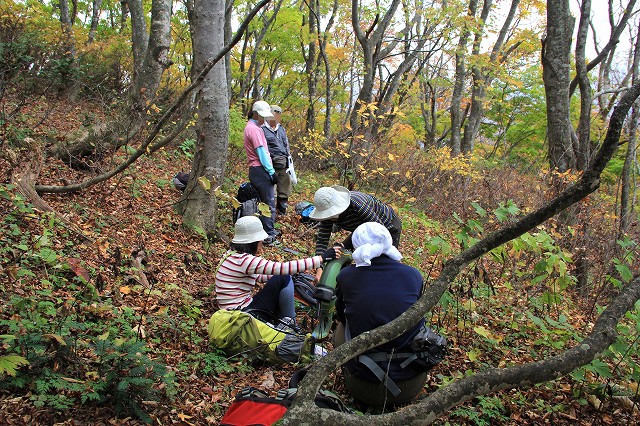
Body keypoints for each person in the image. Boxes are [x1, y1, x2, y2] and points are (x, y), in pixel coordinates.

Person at [332, 222, 427, 407]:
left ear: (357, 246)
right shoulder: (413, 275)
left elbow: (342, 317)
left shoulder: (347, 276)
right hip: (412, 383)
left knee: (341, 329)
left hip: (363, 385)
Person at [214, 216, 341, 329]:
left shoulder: (231, 256)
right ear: (253, 242)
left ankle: (283, 322)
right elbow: (281, 268)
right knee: (283, 276)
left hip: (230, 314)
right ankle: (290, 326)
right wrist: (321, 258)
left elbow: (260, 276)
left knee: (283, 276)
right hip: (241, 315)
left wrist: (288, 274)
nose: (262, 245)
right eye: (260, 241)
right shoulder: (245, 260)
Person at [309, 184, 402, 257]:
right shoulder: (326, 212)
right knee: (340, 250)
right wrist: (319, 266)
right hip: (360, 229)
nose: (329, 219)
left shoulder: (358, 205)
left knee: (384, 259)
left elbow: (380, 233)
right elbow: (322, 240)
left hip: (388, 226)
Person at [244, 100, 278, 245]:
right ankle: (268, 235)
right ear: (256, 114)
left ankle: (266, 232)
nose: (265, 119)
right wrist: (271, 171)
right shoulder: (254, 129)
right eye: (262, 116)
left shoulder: (253, 127)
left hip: (256, 170)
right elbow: (261, 152)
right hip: (260, 170)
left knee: (263, 203)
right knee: (268, 203)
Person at [262, 105, 292, 217]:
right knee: (270, 193)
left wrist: (289, 160)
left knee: (284, 191)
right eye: (275, 114)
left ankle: (282, 215)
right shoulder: (262, 129)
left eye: (279, 114)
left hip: (284, 165)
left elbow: (286, 145)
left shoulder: (281, 129)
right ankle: (269, 217)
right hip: (270, 166)